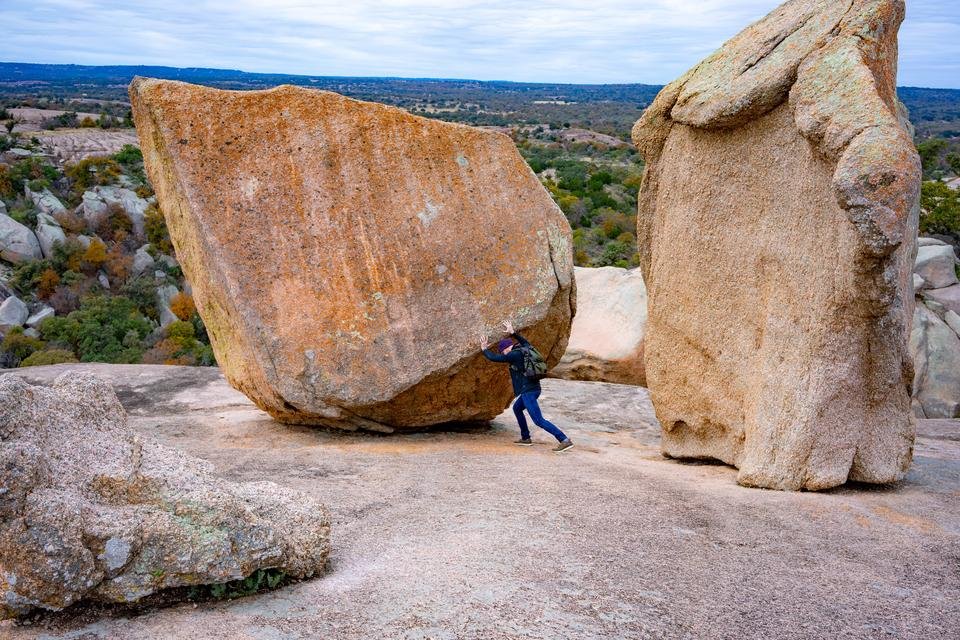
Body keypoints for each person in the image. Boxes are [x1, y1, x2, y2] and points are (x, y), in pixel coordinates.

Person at [480, 320, 574, 453]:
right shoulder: (525, 348)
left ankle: (564, 439)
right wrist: (513, 333)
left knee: (538, 420)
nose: (503, 354)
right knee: (517, 409)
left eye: (503, 352)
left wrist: (484, 349)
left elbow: (495, 358)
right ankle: (526, 438)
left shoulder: (513, 355)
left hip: (528, 391)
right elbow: (524, 340)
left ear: (506, 349)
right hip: (534, 388)